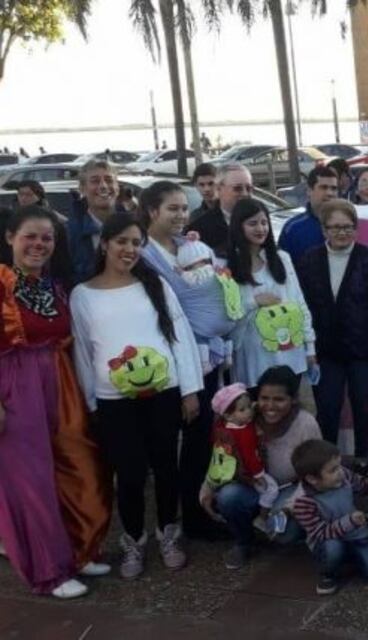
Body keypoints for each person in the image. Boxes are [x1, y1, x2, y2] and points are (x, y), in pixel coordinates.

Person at [71, 212, 203, 579]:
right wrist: (92, 402)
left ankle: (168, 533)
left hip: (163, 393)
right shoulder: (83, 295)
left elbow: (180, 337)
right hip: (113, 401)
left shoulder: (155, 284)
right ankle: (133, 538)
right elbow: (83, 351)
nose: (129, 249)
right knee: (128, 474)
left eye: (136, 243)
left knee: (166, 466)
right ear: (104, 244)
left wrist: (190, 390)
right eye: (122, 242)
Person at [0, 206, 111, 599]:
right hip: (14, 385)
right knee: (32, 480)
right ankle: (49, 570)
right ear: (11, 237)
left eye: (47, 237)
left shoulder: (52, 285)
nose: (39, 244)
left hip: (59, 379)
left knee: (78, 465)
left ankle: (79, 550)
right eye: (30, 235)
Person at [140, 181, 241, 540]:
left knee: (202, 438)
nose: (181, 215)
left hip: (208, 359)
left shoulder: (190, 246)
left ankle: (198, 513)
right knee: (170, 444)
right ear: (153, 211)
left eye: (184, 208)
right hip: (170, 362)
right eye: (173, 208)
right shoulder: (143, 256)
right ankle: (170, 520)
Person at [297, 199, 368, 460]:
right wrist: (307, 347)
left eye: (348, 227)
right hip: (325, 350)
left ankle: (363, 458)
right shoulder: (310, 259)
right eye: (335, 227)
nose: (342, 232)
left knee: (364, 407)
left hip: (363, 349)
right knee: (328, 408)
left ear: (356, 228)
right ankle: (327, 460)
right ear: (324, 229)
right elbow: (302, 304)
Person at [205, 365, 322, 569]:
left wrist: (289, 508)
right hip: (254, 486)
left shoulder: (305, 423)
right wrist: (206, 489)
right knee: (227, 497)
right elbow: (221, 455)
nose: (270, 406)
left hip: (289, 490)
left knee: (285, 534)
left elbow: (315, 473)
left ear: (293, 399)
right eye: (264, 398)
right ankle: (244, 541)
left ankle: (275, 527)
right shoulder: (244, 417)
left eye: (279, 399)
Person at [227, 198, 315, 388]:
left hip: (290, 354)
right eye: (252, 223)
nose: (260, 229)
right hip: (254, 358)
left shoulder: (282, 258)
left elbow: (299, 303)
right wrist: (254, 301)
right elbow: (228, 318)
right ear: (238, 226)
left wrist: (310, 347)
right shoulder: (227, 267)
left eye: (264, 222)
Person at [291, 439, 368, 595]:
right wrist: (348, 522)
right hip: (329, 540)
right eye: (333, 470)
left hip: (356, 534)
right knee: (332, 547)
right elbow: (319, 533)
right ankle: (327, 572)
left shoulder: (342, 475)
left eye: (339, 465)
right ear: (312, 478)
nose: (340, 472)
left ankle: (353, 557)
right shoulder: (303, 502)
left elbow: (364, 485)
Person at [208, 383, 283, 535]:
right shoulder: (244, 432)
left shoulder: (223, 427)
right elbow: (249, 457)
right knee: (271, 489)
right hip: (250, 474)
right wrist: (259, 475)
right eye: (243, 409)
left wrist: (250, 406)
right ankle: (262, 518)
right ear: (228, 415)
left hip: (232, 474)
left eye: (249, 407)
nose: (249, 412)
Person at [65, 160, 121, 284]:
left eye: (109, 180)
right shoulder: (69, 234)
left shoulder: (134, 229)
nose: (103, 186)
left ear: (117, 188)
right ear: (82, 189)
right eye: (95, 181)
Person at [186, 162, 254, 259]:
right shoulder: (198, 228)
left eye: (249, 188)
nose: (244, 194)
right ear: (219, 189)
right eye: (237, 188)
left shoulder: (260, 218)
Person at [277, 165, 341, 264]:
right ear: (309, 191)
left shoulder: (348, 224)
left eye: (334, 188)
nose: (330, 193)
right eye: (323, 187)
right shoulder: (293, 229)